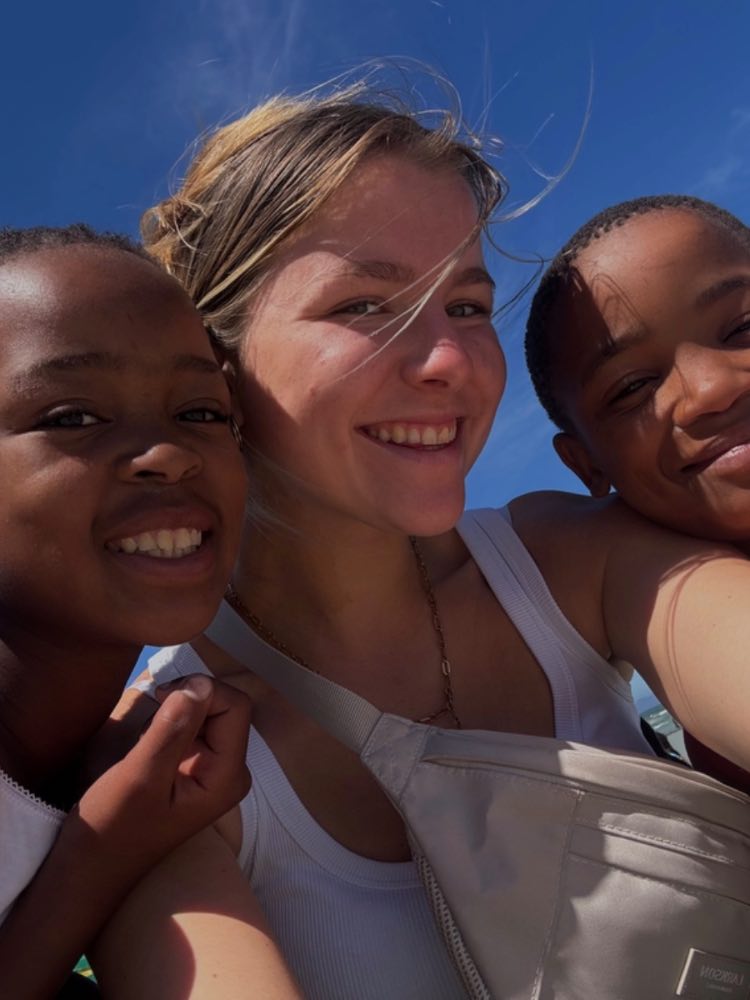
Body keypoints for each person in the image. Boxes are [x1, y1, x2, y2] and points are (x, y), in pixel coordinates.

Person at [93, 90, 749, 999]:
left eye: (468, 305)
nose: (448, 360)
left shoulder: (568, 561)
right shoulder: (170, 758)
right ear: (216, 358)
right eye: (365, 305)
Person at [0, 225, 299, 999]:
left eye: (202, 411)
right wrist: (99, 857)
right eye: (71, 417)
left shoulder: (89, 761)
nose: (166, 452)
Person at [524, 192, 750, 792]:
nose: (710, 389)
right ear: (585, 465)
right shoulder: (669, 612)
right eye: (631, 388)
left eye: (743, 327)